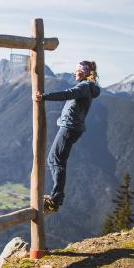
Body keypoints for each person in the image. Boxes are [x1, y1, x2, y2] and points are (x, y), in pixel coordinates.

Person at [32, 61, 101, 212]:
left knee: (56, 160)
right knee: (56, 160)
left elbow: (67, 94)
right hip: (72, 127)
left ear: (84, 72)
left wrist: (43, 97)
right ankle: (56, 197)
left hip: (69, 127)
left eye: (77, 70)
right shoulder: (87, 87)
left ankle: (56, 199)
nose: (74, 73)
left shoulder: (83, 87)